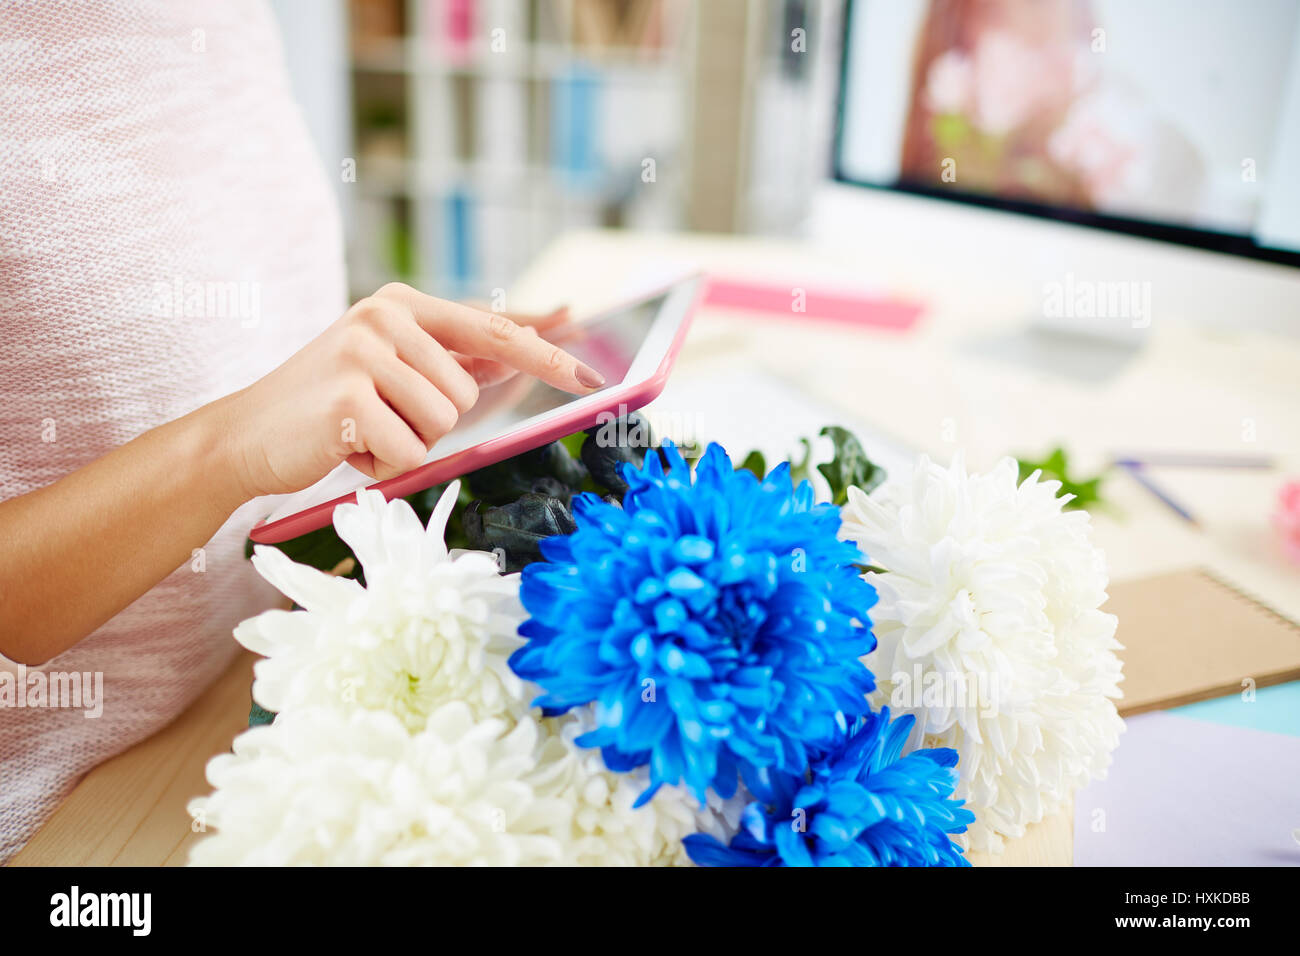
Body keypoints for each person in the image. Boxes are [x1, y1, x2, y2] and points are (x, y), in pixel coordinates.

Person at [0, 0, 601, 861]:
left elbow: (237, 360)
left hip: (275, 706)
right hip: (87, 824)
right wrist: (234, 446)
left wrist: (387, 395)